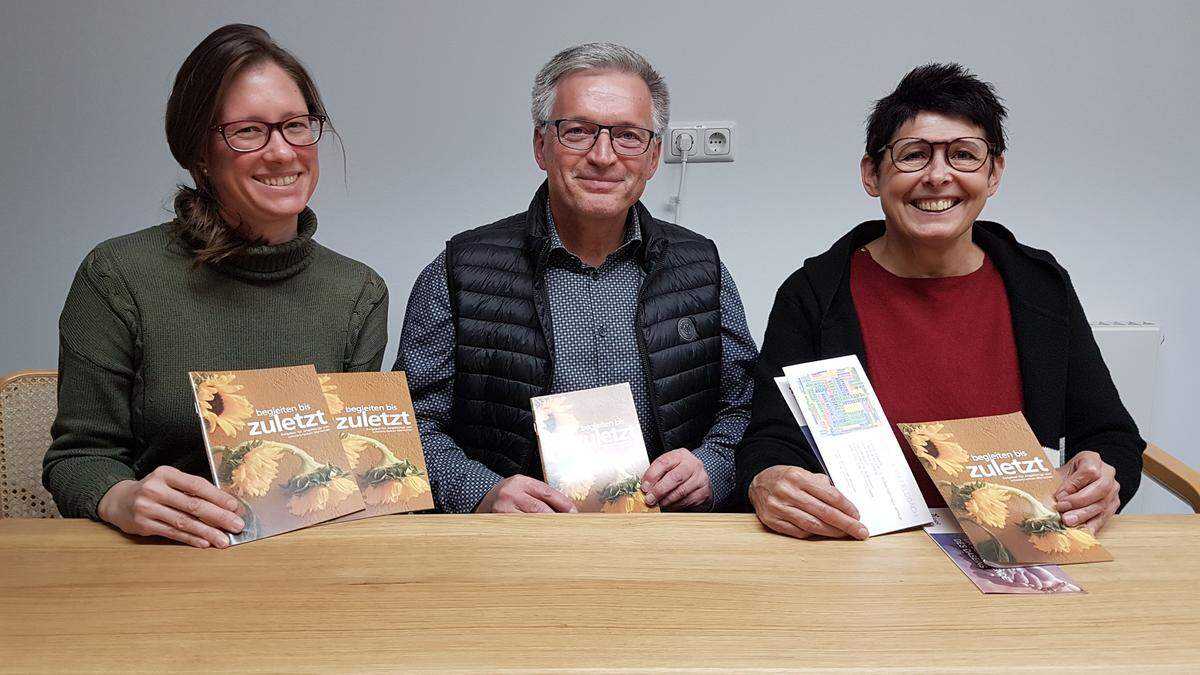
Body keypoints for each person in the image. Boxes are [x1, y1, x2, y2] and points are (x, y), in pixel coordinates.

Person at [737, 63, 1142, 540]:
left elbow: (1110, 435)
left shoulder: (1040, 288)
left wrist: (1104, 477)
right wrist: (769, 480)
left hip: (1019, 550)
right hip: (863, 554)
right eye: (913, 155)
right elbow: (771, 438)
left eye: (964, 155)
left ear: (994, 174)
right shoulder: (814, 294)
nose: (938, 176)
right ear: (872, 174)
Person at [42, 24, 389, 548]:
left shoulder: (358, 293)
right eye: (248, 131)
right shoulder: (116, 276)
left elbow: (354, 473)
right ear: (199, 152)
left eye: (296, 125)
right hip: (159, 561)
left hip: (308, 568)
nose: (281, 152)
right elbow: (77, 458)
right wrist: (120, 496)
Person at [396, 42, 757, 513]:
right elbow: (407, 424)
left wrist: (713, 466)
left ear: (652, 157)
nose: (603, 155)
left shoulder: (701, 268)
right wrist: (480, 492)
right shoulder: (459, 271)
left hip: (668, 543)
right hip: (512, 551)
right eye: (579, 131)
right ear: (541, 145)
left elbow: (747, 406)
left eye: (628, 135)